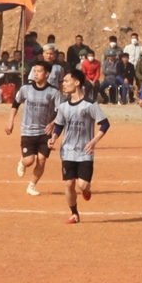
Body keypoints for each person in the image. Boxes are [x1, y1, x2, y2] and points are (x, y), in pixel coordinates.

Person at [48, 72, 110, 224]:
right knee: (69, 183)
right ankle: (74, 213)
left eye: (67, 81)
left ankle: (86, 190)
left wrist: (94, 141)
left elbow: (105, 124)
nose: (64, 84)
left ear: (77, 83)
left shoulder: (90, 104)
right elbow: (59, 125)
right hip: (67, 151)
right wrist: (54, 138)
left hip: (84, 152)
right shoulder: (63, 106)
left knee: (83, 185)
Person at [4, 60, 59, 196]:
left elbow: (60, 111)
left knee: (41, 160)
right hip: (28, 130)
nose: (36, 74)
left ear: (47, 74)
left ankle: (31, 186)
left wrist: (53, 123)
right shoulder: (25, 89)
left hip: (45, 132)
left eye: (39, 71)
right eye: (34, 71)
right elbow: (15, 104)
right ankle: (22, 162)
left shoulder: (54, 92)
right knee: (29, 161)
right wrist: (10, 121)